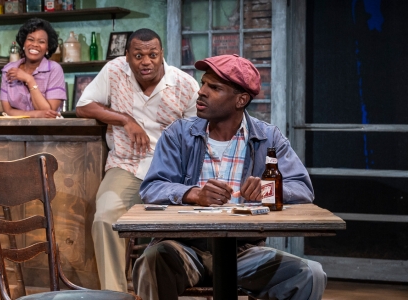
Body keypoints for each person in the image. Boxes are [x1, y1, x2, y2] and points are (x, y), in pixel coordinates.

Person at [132, 54, 325, 300]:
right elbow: (152, 188)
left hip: (242, 253)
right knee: (150, 261)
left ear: (240, 100)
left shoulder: (268, 138)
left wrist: (267, 190)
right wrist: (193, 194)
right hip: (184, 248)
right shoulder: (178, 134)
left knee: (310, 273)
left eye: (214, 87)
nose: (201, 92)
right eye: (203, 83)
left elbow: (302, 189)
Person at [75, 28, 199, 292]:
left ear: (161, 54)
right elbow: (84, 106)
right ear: (127, 56)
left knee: (184, 227)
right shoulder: (114, 71)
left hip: (170, 172)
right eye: (139, 55)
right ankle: (114, 295)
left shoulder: (185, 84)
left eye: (152, 54)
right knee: (105, 218)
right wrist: (125, 119)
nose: (146, 61)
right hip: (126, 165)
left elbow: (197, 135)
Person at [0, 18, 66, 118]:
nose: (35, 45)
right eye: (30, 39)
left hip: (45, 131)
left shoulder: (54, 69)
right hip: (14, 130)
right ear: (23, 43)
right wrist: (36, 114)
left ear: (47, 48)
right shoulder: (8, 69)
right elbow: (8, 110)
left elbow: (49, 113)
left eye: (41, 41)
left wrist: (29, 80)